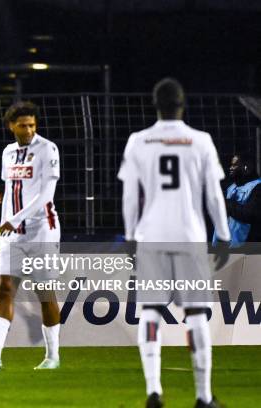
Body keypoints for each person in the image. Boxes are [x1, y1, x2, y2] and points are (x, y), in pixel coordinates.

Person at [118, 78, 230, 408]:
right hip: (189, 236)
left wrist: (129, 236)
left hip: (150, 235)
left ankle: (154, 392)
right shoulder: (200, 141)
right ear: (183, 104)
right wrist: (222, 235)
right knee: (196, 315)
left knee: (150, 312)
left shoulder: (138, 141)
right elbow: (213, 195)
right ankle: (203, 396)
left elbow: (129, 197)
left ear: (155, 104)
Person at [0, 101, 62, 371]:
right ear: (11, 126)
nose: (29, 130)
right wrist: (6, 223)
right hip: (12, 233)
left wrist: (16, 219)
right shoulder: (8, 152)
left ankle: (52, 356)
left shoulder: (47, 149)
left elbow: (46, 194)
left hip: (41, 230)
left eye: (32, 125)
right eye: (23, 125)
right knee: (5, 288)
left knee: (44, 293)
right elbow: (10, 191)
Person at [213, 154, 260, 246]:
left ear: (246, 167)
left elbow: (249, 214)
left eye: (234, 165)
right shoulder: (232, 187)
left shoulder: (258, 187)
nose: (231, 168)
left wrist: (225, 203)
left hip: (246, 247)